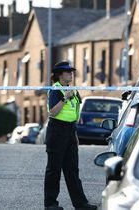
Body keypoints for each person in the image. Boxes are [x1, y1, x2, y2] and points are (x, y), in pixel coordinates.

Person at [44, 61, 97, 210]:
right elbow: (52, 112)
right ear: (60, 75)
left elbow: (75, 112)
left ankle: (80, 204)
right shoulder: (56, 90)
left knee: (72, 169)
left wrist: (75, 135)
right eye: (68, 72)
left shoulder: (72, 89)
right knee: (54, 169)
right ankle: (50, 204)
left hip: (70, 131)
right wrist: (64, 98)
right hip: (57, 131)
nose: (71, 74)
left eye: (71, 72)